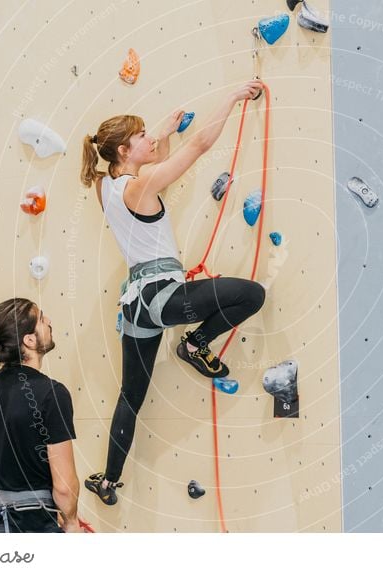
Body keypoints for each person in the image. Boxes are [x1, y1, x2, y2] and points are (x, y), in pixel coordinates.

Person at [79, 80, 267, 505]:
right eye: (139, 136)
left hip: (136, 308)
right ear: (125, 152)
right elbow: (198, 146)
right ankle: (196, 343)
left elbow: (155, 153)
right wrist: (232, 95)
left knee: (131, 396)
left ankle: (108, 481)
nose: (150, 139)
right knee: (252, 295)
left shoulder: (104, 185)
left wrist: (160, 132)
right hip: (161, 296)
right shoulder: (139, 185)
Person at [0, 298, 83, 533]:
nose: (49, 321)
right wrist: (71, 522)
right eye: (41, 319)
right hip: (32, 527)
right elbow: (63, 487)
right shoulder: (52, 394)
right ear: (29, 340)